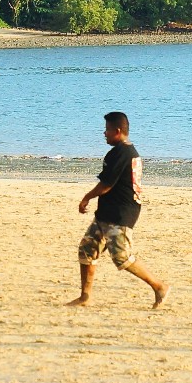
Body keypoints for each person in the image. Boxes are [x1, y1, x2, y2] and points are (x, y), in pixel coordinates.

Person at [68, 111, 168, 308]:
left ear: (118, 131)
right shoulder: (125, 152)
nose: (104, 134)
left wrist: (86, 198)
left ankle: (159, 287)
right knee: (87, 250)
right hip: (107, 211)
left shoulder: (122, 153)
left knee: (121, 256)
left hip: (121, 212)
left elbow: (106, 184)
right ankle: (85, 297)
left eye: (107, 130)